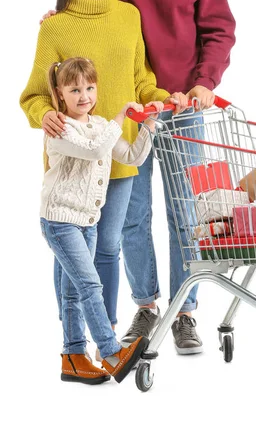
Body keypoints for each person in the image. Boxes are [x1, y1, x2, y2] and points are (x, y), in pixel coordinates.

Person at [20, 0, 187, 356]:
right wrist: (45, 115)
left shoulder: (128, 16)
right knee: (72, 258)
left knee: (108, 247)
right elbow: (34, 94)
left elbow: (141, 80)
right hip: (75, 158)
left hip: (118, 152)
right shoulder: (55, 26)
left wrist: (163, 100)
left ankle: (103, 330)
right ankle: (76, 344)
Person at [109, 0, 236, 353]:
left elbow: (218, 28)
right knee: (132, 216)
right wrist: (56, 16)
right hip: (133, 115)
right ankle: (146, 306)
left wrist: (204, 83)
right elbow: (90, 14)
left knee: (187, 214)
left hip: (185, 110)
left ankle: (185, 310)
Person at [40, 57, 164, 384]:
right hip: (60, 221)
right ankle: (111, 352)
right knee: (90, 284)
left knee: (72, 293)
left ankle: (73, 356)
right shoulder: (60, 128)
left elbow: (131, 157)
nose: (84, 96)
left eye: (90, 88)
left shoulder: (98, 126)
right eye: (75, 89)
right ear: (60, 93)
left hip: (87, 222)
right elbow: (96, 151)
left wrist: (147, 127)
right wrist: (121, 116)